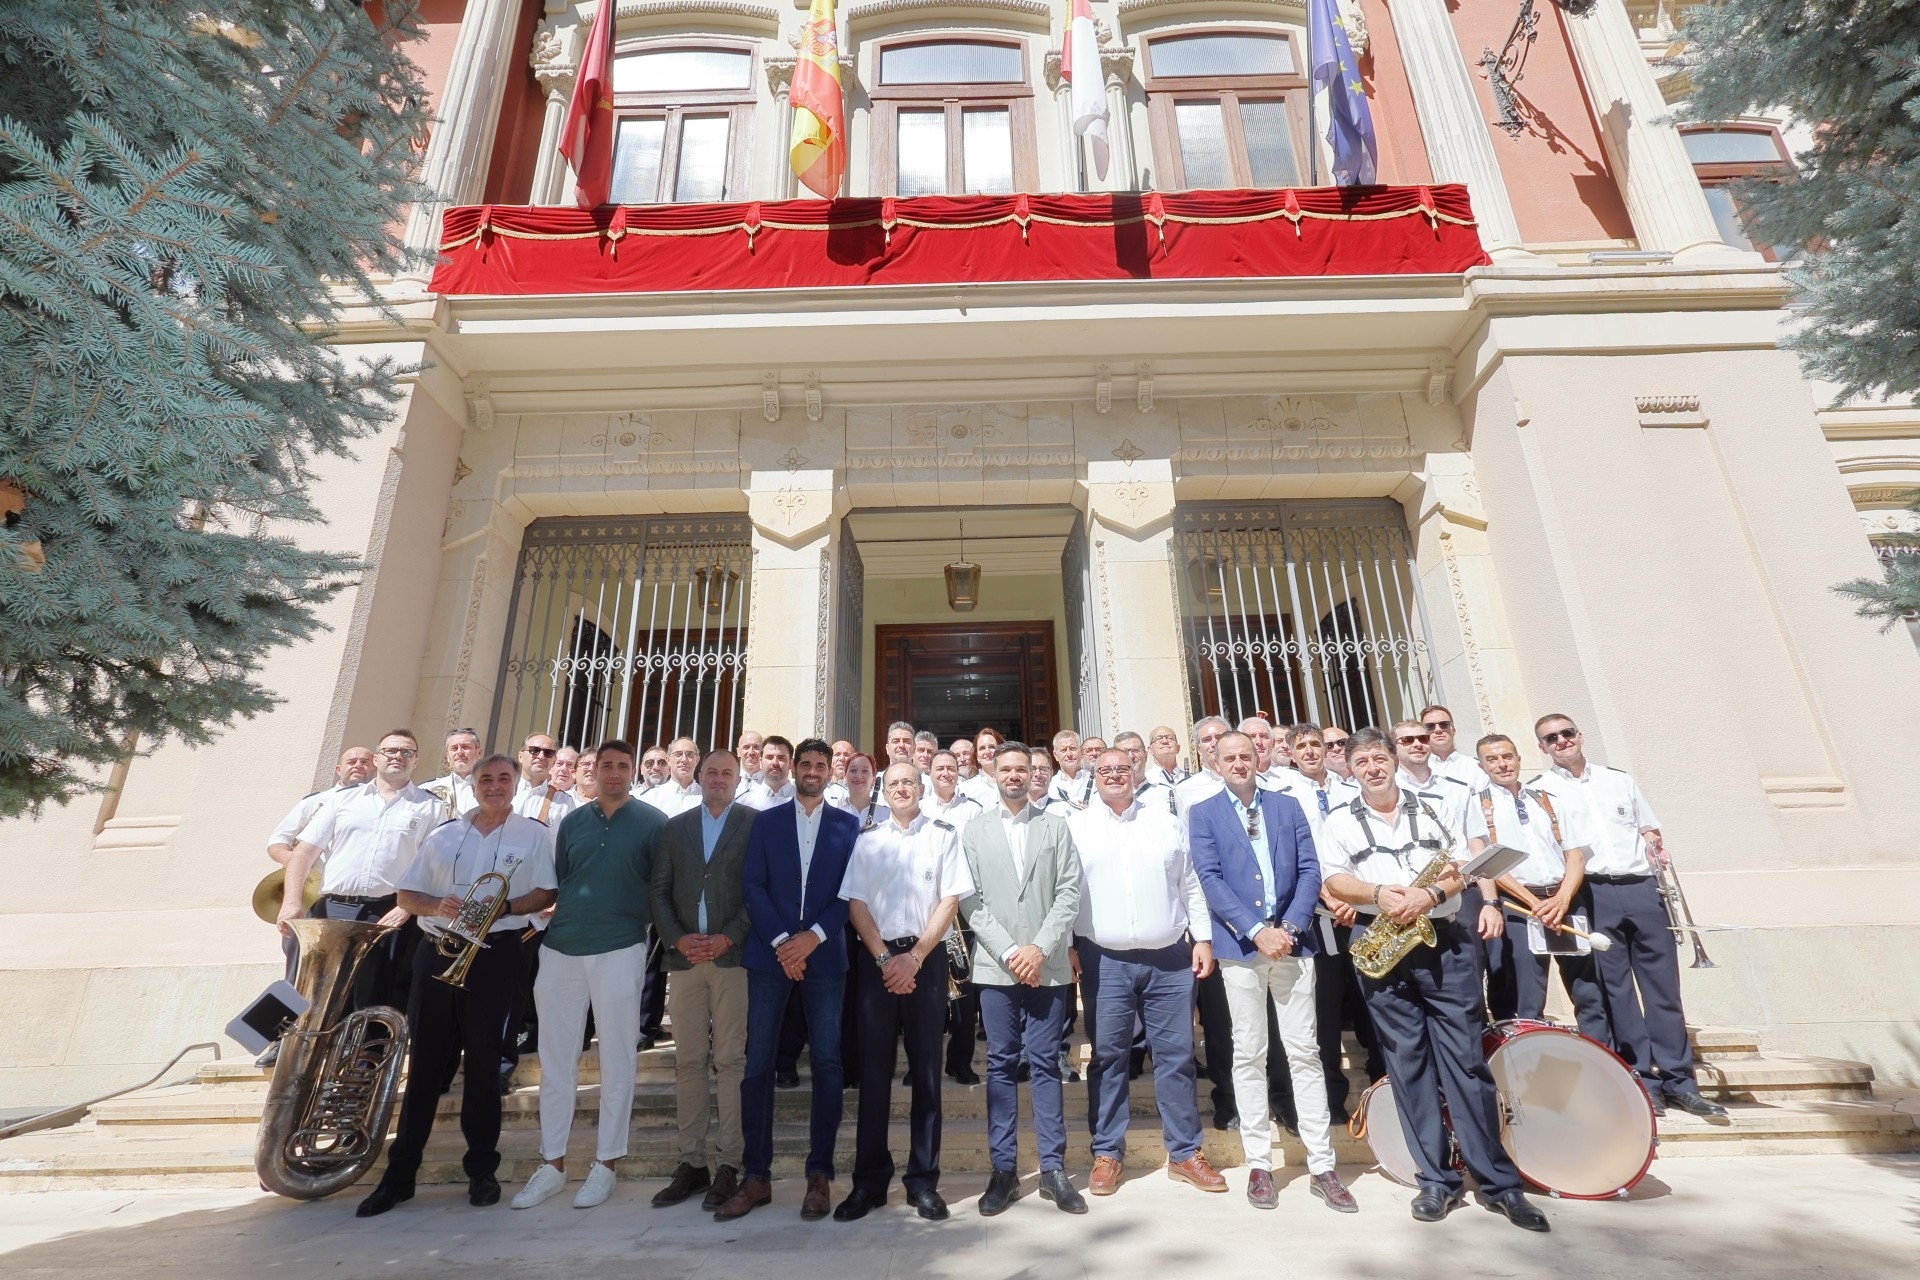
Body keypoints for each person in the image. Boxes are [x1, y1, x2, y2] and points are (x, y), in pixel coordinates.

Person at [1318, 729, 1548, 1232]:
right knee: (1408, 1065)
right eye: (1362, 761)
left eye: (1379, 757)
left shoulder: (1438, 804)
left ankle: (1498, 1184)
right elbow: (1333, 878)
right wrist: (1378, 894)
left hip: (1444, 939)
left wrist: (1432, 894)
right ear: (1351, 770)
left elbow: (1469, 861)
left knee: (1466, 1062)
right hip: (1380, 940)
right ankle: (1436, 1181)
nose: (1373, 768)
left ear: (1394, 760)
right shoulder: (1337, 820)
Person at [357, 754, 557, 1218]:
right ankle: (399, 1176)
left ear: (515, 784)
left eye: (503, 779)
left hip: (495, 955)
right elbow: (407, 895)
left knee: (484, 1066)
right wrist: (437, 905)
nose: (494, 786)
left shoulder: (534, 834)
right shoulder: (444, 834)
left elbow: (547, 891)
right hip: (437, 951)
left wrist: (505, 908)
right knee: (425, 1066)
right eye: (486, 779)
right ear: (473, 785)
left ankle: (482, 1171)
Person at [1529, 715, 1727, 1119]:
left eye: (1567, 733)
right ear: (1542, 747)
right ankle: (1643, 1082)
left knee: (1663, 990)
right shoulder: (1538, 791)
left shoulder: (1618, 780)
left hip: (1641, 888)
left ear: (1580, 735)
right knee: (1616, 993)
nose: (1562, 741)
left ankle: (1680, 1082)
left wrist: (1656, 849)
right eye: (1551, 737)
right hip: (1591, 891)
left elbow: (1649, 830)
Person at [1190, 732, 1355, 1213]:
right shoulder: (1203, 813)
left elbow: (1309, 871)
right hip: (1241, 949)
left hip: (1293, 945)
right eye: (1229, 758)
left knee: (1305, 1052)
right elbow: (1210, 879)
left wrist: (1290, 927)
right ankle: (1260, 1164)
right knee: (1248, 1053)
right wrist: (1256, 930)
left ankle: (1323, 1166)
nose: (1239, 763)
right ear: (1216, 763)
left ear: (1258, 758)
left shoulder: (1287, 806)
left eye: (1246, 755)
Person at [510, 740, 665, 1212]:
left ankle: (606, 1164)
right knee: (556, 1059)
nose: (613, 773)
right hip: (561, 948)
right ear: (591, 771)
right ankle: (552, 1164)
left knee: (617, 1057)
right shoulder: (571, 822)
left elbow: (662, 887)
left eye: (622, 766)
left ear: (632, 771)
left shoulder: (654, 822)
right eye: (604, 765)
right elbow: (556, 883)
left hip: (620, 945)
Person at [717, 738, 861, 1223]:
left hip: (824, 956)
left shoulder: (848, 825)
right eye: (807, 763)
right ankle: (756, 1175)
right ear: (795, 768)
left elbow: (850, 894)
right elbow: (752, 886)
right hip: (770, 956)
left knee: (827, 1062)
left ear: (830, 771)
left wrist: (811, 939)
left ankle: (819, 1174)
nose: (813, 770)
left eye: (822, 764)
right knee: (758, 1063)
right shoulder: (766, 822)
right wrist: (783, 941)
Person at [1071, 748, 1224, 1197]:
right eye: (1105, 770)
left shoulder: (1165, 821)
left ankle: (1185, 1153)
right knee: (1108, 1057)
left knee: (1176, 1056)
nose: (1115, 775)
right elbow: (1065, 891)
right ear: (1094, 776)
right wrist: (1067, 946)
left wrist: (1203, 938)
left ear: (1136, 772)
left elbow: (1190, 883)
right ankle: (1107, 1153)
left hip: (1170, 958)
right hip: (1105, 958)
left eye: (1122, 768)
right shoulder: (1076, 826)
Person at [834, 762, 974, 1223]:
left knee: (927, 1074)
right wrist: (884, 959)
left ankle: (923, 1182)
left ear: (921, 787)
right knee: (873, 1075)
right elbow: (856, 903)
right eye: (893, 783)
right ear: (884, 789)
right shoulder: (868, 839)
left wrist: (913, 958)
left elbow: (950, 901)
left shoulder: (943, 835)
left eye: (908, 782)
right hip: (876, 961)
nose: (901, 789)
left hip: (925, 961)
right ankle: (869, 1183)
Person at [961, 742, 1087, 1217]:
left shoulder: (1055, 826)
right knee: (1000, 1064)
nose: (1015, 775)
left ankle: (1053, 1170)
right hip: (997, 967)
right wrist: (1012, 952)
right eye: (1007, 769)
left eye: (1023, 769)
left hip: (1047, 966)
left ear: (1036, 774)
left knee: (1046, 1064)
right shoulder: (974, 830)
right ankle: (1004, 1171)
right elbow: (969, 900)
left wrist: (1039, 947)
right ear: (993, 774)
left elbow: (1069, 891)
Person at [649, 749, 758, 1211]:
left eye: (727, 773)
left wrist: (728, 936)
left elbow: (760, 890)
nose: (718, 778)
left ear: (738, 779)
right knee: (689, 1061)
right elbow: (658, 890)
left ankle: (730, 1162)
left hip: (733, 960)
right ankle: (692, 1163)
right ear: (699, 776)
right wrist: (677, 938)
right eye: (711, 771)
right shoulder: (674, 828)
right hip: (686, 961)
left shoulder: (755, 825)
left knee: (730, 1061)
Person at [276, 729, 443, 1011]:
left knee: (374, 1000)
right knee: (311, 994)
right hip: (331, 909)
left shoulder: (432, 807)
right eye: (390, 751)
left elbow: (435, 867)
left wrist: (405, 908)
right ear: (376, 758)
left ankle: (367, 1042)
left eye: (406, 752)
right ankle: (300, 1037)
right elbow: (303, 853)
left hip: (389, 914)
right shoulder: (341, 800)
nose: (398, 756)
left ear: (415, 761)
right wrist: (291, 902)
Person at [1470, 734, 1612, 1044]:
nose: (1502, 764)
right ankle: (1530, 1059)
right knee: (1527, 993)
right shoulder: (1476, 806)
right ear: (1482, 766)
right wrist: (1535, 904)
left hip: (1564, 899)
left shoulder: (1547, 799)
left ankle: (1602, 1056)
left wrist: (1562, 899)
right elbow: (1487, 862)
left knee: (1587, 988)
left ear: (1518, 759)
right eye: (1492, 759)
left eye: (1507, 756)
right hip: (1519, 904)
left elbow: (1575, 854)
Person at [1271, 724, 1379, 1123]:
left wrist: (1357, 897)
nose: (1311, 751)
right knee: (1325, 1013)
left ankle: (1383, 1088)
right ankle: (1331, 1101)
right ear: (1291, 753)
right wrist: (1331, 898)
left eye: (1316, 744)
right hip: (1318, 916)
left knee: (1373, 1004)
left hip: (1363, 910)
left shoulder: (1350, 790)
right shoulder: (1283, 796)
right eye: (1301, 746)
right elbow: (1296, 858)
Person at [1392, 720, 1471, 835]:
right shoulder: (1387, 792)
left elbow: (1475, 838)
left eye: (1423, 739)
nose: (1418, 744)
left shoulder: (1458, 789)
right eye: (1407, 740)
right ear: (1393, 748)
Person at [515, 733, 579, 827]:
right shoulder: (502, 792)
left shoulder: (564, 802)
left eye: (548, 753)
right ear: (520, 756)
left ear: (554, 761)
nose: (541, 756)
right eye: (534, 750)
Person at [1173, 716, 1231, 815]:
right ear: (1199, 749)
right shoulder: (1185, 789)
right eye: (1207, 740)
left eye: (1219, 737)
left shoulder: (1251, 780)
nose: (1214, 743)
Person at [1422, 706, 1489, 792]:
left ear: (1454, 730)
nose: (1438, 730)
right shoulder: (1415, 770)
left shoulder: (1476, 767)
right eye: (1430, 726)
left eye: (1444, 724)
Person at [423, 726, 483, 820]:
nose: (460, 752)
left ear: (478, 753)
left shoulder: (495, 789)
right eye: (454, 748)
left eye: (465, 747)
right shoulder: (426, 790)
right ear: (447, 757)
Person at [641, 737, 701, 818]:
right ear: (668, 760)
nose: (684, 760)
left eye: (689, 754)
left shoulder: (706, 797)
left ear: (697, 760)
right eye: (678, 754)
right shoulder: (651, 797)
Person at [923, 750, 984, 828]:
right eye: (940, 769)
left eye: (950, 769)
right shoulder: (919, 809)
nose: (945, 773)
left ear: (957, 773)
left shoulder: (973, 810)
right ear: (930, 773)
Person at [738, 736, 796, 810]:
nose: (775, 763)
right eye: (769, 757)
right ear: (760, 762)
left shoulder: (803, 800)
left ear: (791, 763)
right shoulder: (744, 803)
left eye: (781, 758)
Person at [959, 728, 1002, 807]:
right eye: (982, 748)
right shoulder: (966, 788)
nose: (987, 752)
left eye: (992, 747)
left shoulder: (1014, 780)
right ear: (977, 756)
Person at [1047, 729, 1083, 805]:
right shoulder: (1050, 785)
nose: (1069, 754)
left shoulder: (1096, 780)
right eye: (1063, 750)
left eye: (1073, 749)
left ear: (1081, 751)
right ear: (1055, 755)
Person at [824, 740, 856, 807]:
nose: (841, 758)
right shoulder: (821, 788)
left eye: (846, 755)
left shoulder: (861, 788)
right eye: (837, 754)